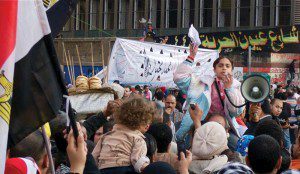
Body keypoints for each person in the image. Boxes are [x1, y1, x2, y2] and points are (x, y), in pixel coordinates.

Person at [174, 45, 245, 148]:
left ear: (231, 70)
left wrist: (229, 89)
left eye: (227, 66)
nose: (224, 68)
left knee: (236, 147)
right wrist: (191, 57)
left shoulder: (236, 87)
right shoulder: (202, 83)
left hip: (224, 128)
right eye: (220, 66)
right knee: (188, 148)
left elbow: (236, 112)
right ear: (214, 69)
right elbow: (179, 79)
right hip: (200, 124)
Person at [92, 97, 155, 173]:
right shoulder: (137, 138)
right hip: (125, 170)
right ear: (145, 125)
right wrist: (149, 168)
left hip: (103, 170)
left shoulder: (107, 136)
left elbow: (94, 157)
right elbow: (138, 161)